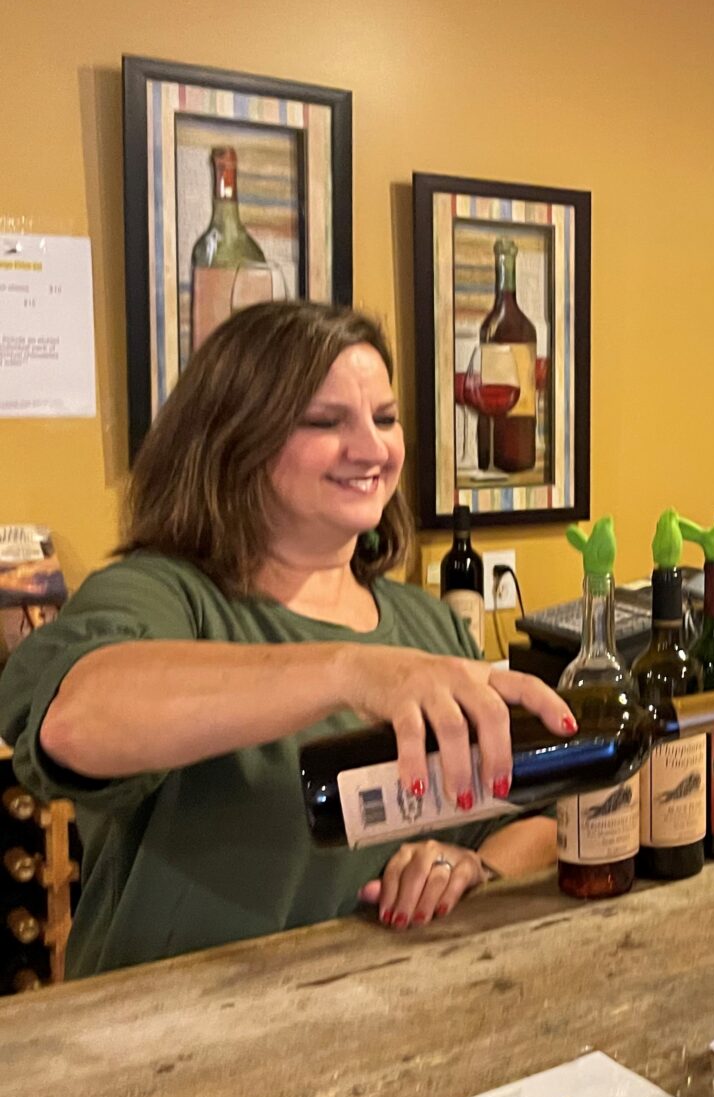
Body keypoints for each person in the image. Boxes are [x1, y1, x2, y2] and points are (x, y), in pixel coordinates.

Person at [0, 304, 575, 977]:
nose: (372, 449)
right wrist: (349, 671)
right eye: (324, 422)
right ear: (234, 439)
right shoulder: (162, 594)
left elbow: (533, 816)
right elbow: (77, 722)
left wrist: (469, 864)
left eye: (385, 419)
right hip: (175, 1045)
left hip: (391, 1025)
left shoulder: (429, 627)